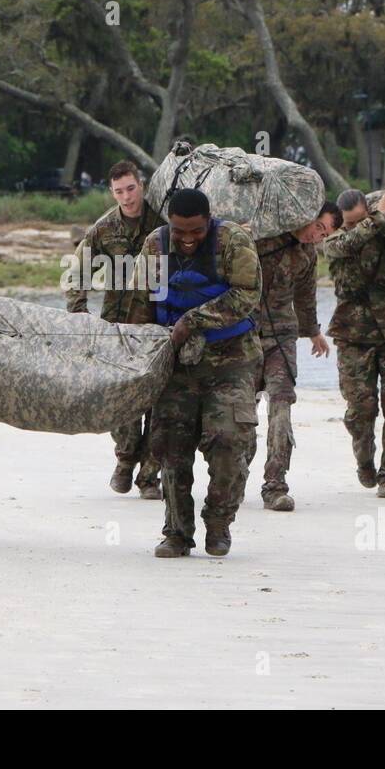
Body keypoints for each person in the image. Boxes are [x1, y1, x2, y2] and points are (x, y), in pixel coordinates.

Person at [127, 188, 261, 558]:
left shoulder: (233, 241)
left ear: (208, 222)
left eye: (196, 232)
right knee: (170, 447)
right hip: (175, 363)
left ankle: (218, 523)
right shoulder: (154, 246)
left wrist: (194, 319)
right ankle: (177, 532)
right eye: (180, 231)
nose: (187, 240)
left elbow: (247, 294)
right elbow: (140, 301)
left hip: (231, 360)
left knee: (229, 442)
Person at [66, 159, 165, 499]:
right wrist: (79, 315)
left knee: (159, 402)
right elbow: (78, 272)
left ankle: (150, 475)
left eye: (131, 189)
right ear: (112, 192)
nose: (126, 197)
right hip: (118, 327)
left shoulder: (163, 222)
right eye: (119, 191)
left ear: (142, 186)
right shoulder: (104, 228)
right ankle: (125, 459)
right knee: (123, 399)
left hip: (159, 326)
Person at [324, 188, 385, 498]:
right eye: (349, 222)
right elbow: (351, 242)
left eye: (359, 220)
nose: (354, 226)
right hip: (353, 336)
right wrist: (378, 218)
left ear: (367, 211)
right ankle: (364, 459)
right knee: (360, 409)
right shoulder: (334, 241)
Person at [247, 202, 341, 511]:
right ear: (308, 217)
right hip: (243, 334)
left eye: (324, 235)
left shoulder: (308, 255)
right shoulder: (264, 234)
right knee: (241, 411)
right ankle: (232, 474)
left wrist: (313, 331)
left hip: (282, 336)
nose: (317, 237)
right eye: (318, 228)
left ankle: (276, 484)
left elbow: (305, 295)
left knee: (282, 402)